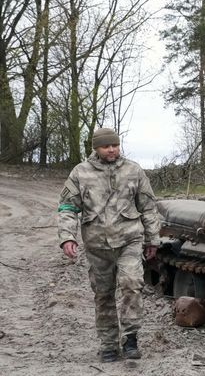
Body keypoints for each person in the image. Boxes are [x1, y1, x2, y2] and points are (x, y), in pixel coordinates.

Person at [57, 127, 160, 362]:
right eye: (106, 146)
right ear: (96, 148)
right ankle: (108, 344)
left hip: (129, 240)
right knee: (103, 294)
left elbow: (148, 206)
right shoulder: (80, 173)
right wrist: (67, 237)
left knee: (132, 284)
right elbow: (67, 208)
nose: (112, 149)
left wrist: (152, 238)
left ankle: (131, 338)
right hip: (97, 244)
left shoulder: (133, 171)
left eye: (115, 145)